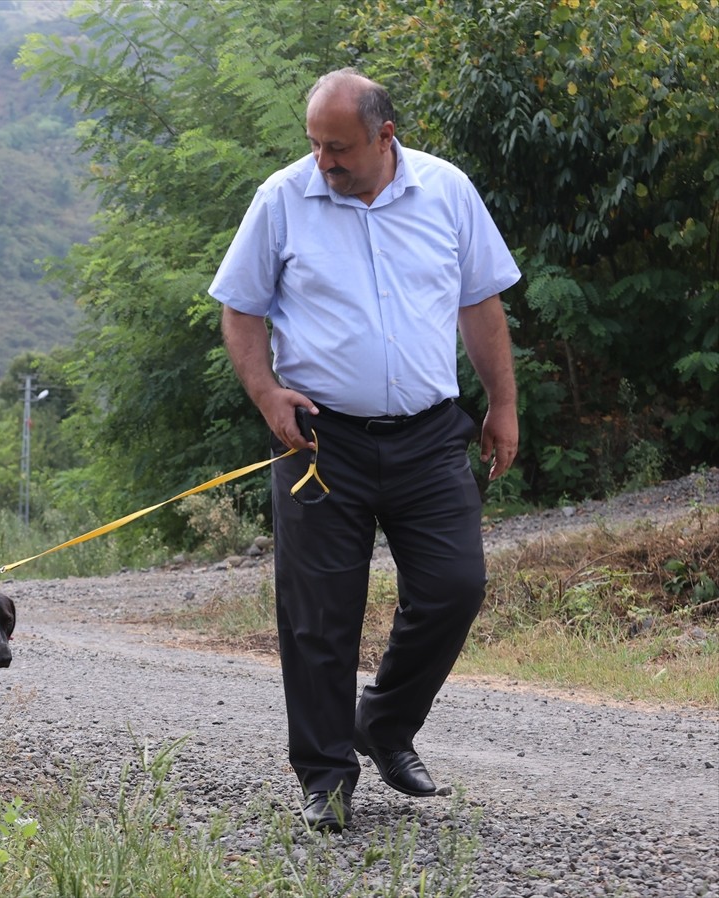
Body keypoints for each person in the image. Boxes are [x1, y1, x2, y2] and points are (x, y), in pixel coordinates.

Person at [208, 68, 521, 833]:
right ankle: (324, 775)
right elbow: (240, 311)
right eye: (315, 146)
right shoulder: (282, 199)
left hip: (431, 433)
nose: (324, 163)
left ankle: (382, 721)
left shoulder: (447, 191)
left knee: (455, 585)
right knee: (319, 616)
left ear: (386, 137)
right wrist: (266, 394)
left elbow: (480, 304)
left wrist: (504, 405)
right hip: (319, 439)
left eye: (339, 148)